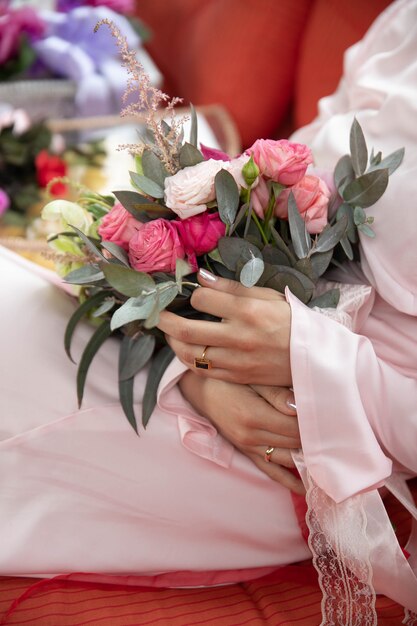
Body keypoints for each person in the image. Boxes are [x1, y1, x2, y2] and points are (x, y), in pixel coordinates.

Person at [0, 0, 416, 620]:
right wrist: (194, 364)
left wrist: (306, 358)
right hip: (217, 330)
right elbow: (300, 160)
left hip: (306, 439)